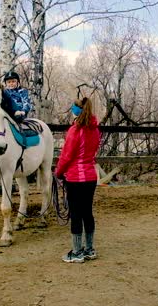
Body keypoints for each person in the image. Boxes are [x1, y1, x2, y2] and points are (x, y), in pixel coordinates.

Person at [54, 97, 101, 263]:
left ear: (76, 112)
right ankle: (89, 249)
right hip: (91, 177)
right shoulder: (95, 130)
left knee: (76, 214)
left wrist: (58, 173)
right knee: (87, 213)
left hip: (75, 178)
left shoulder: (75, 130)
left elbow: (66, 156)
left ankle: (76, 252)